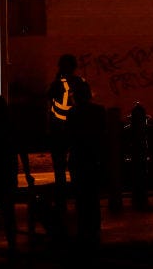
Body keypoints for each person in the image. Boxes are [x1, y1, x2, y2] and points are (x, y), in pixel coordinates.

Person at [0, 94, 34, 259]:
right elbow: (22, 149)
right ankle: (11, 246)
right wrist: (27, 172)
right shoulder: (10, 126)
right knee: (8, 212)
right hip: (6, 173)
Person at [46, 52, 88, 237]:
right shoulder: (79, 83)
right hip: (74, 129)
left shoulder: (57, 84)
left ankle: (62, 199)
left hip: (60, 129)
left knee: (60, 167)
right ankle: (76, 197)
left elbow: (51, 105)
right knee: (75, 165)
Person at [66, 80, 108, 252]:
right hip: (93, 157)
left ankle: (83, 229)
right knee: (93, 196)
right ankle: (94, 229)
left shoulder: (72, 113)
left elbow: (69, 136)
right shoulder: (99, 111)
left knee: (81, 196)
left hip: (78, 158)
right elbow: (103, 135)